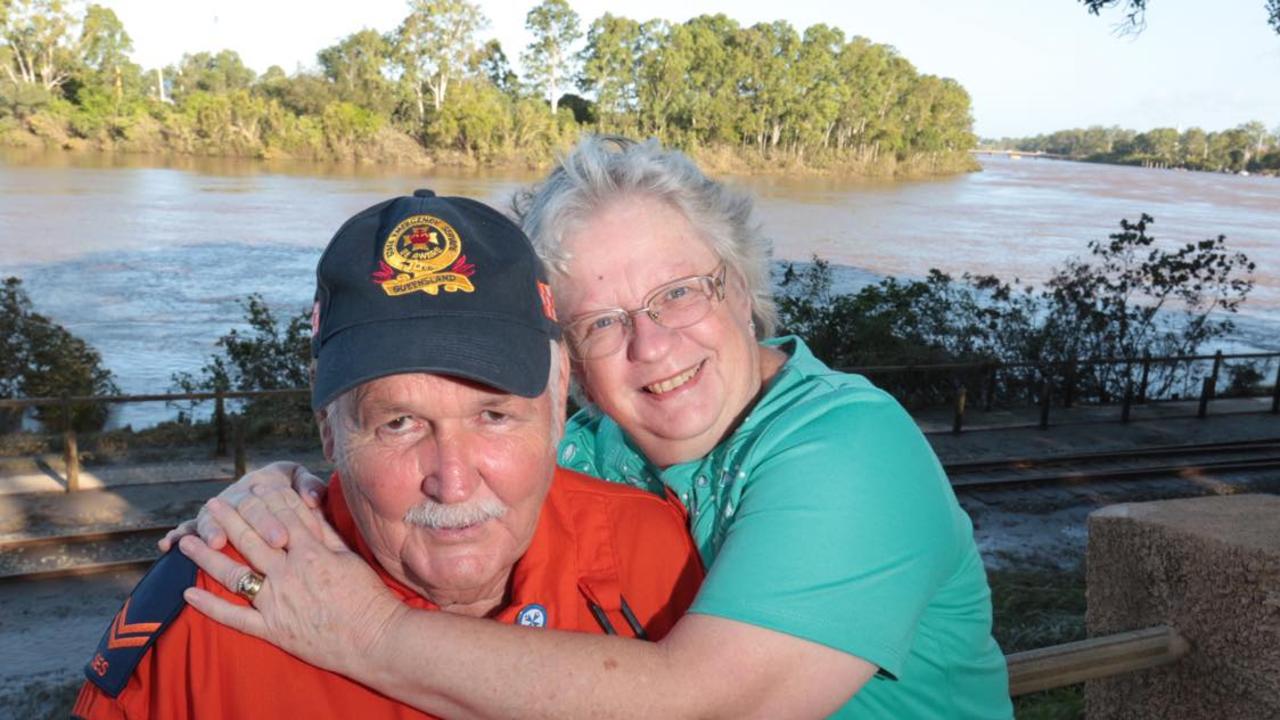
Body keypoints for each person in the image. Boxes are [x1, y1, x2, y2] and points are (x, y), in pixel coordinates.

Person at [169, 137, 1013, 718]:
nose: (652, 343)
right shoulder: (602, 447)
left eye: (680, 291)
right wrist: (291, 493)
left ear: (743, 287)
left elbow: (712, 705)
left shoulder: (850, 450)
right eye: (603, 321)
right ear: (567, 363)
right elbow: (460, 451)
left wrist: (367, 633)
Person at [72, 190, 704, 719]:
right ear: (328, 429)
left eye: (494, 415)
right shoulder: (206, 612)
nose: (453, 483)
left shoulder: (661, 558)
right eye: (399, 423)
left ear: (560, 392)